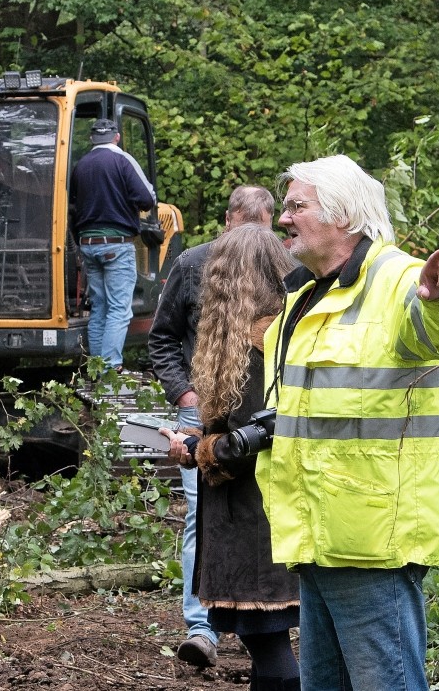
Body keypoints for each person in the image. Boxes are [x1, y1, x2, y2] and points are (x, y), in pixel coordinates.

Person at [260, 154, 439, 691]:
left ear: (343, 215)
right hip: (319, 533)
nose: (284, 218)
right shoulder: (310, 293)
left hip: (371, 540)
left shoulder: (399, 279)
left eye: (297, 206)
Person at [161, 226, 301, 690]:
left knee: (271, 650)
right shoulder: (289, 335)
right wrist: (198, 438)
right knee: (266, 648)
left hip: (252, 523)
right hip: (278, 512)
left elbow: (251, 438)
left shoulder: (253, 347)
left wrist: (198, 449)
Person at [149, 185, 276, 668]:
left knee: (261, 510)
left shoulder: (286, 267)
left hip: (264, 415)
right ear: (228, 221)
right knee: (202, 514)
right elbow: (162, 337)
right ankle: (203, 626)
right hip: (203, 412)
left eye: (261, 231)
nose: (252, 242)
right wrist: (185, 394)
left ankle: (258, 617)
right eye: (245, 229)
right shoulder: (194, 264)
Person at [71, 118, 156, 370]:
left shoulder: (81, 165)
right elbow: (147, 198)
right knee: (119, 309)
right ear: (117, 137)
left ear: (91, 139)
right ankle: (110, 368)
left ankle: (97, 369)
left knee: (99, 307)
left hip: (88, 244)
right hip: (116, 245)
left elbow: (73, 206)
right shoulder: (122, 160)